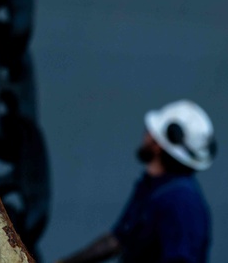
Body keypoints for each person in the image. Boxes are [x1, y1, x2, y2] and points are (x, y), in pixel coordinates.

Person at [55, 100, 216, 263]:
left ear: (157, 144)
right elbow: (118, 239)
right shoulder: (153, 188)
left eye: (150, 131)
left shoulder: (181, 202)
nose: (145, 135)